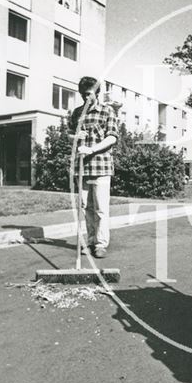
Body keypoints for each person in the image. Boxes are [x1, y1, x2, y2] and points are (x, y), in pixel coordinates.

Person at [68, 76, 119, 258]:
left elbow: (112, 137)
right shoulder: (76, 113)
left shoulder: (107, 111)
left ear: (96, 93)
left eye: (88, 94)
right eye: (82, 94)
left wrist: (91, 149)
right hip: (82, 168)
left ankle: (100, 244)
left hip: (101, 167)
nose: (85, 97)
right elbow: (69, 135)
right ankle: (90, 242)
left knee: (100, 208)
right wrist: (75, 137)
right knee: (85, 208)